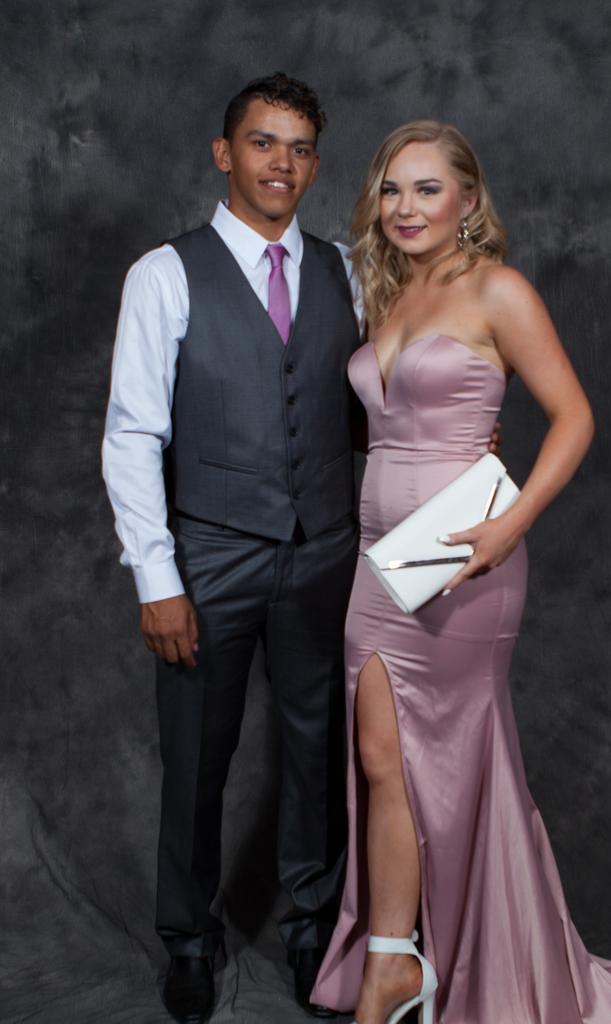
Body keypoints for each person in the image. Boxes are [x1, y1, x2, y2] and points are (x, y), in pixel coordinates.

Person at [310, 121, 611, 1024]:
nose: (406, 207)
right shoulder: (387, 293)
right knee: (381, 757)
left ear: (468, 200)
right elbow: (390, 425)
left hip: (467, 563)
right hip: (379, 567)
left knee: (453, 768)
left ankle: (490, 957)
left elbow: (575, 416)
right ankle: (393, 961)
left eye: (427, 189)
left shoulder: (497, 289)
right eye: (392, 189)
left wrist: (509, 525)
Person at [102, 73, 361, 1023]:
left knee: (316, 751)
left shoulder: (346, 269)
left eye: (298, 147)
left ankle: (311, 931)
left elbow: (383, 399)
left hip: (325, 552)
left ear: (315, 163)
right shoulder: (164, 274)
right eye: (263, 143)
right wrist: (157, 577)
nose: (281, 162)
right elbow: (133, 433)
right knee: (196, 756)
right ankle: (190, 939)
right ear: (225, 154)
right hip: (208, 555)